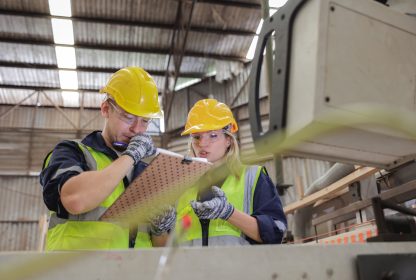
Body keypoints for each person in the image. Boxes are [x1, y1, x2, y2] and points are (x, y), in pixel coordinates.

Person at [40, 67, 175, 250]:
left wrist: (161, 229)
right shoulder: (72, 152)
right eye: (128, 117)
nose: (137, 129)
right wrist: (131, 156)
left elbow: (160, 250)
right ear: (105, 109)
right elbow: (75, 200)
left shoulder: (148, 171)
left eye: (144, 121)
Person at [176, 99, 287, 246]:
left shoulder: (252, 177)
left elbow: (275, 233)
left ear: (228, 139)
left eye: (213, 135)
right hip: (192, 269)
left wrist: (229, 213)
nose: (202, 143)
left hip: (238, 269)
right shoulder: (181, 186)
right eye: (197, 137)